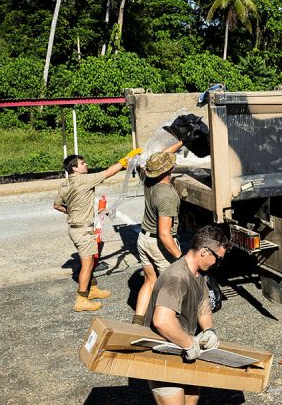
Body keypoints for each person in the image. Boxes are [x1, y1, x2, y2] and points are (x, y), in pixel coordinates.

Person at [144, 225, 229, 405]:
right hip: (164, 353)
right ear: (205, 251)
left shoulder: (198, 274)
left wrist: (209, 330)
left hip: (182, 348)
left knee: (192, 399)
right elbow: (161, 321)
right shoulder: (177, 277)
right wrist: (189, 344)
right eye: (218, 259)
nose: (217, 264)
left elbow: (203, 304)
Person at [53, 147, 142, 312]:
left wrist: (70, 211)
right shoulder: (85, 180)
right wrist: (127, 159)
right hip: (83, 231)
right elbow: (109, 172)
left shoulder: (64, 184)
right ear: (74, 168)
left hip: (75, 229)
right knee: (87, 265)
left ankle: (92, 289)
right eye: (82, 163)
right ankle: (81, 300)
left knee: (92, 260)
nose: (86, 164)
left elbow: (57, 205)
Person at [132, 142, 185, 325]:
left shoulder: (148, 179)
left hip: (143, 239)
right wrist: (180, 258)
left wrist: (181, 142)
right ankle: (166, 325)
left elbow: (155, 159)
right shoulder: (167, 196)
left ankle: (138, 321)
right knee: (170, 287)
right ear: (169, 170)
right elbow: (164, 234)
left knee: (150, 280)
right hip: (157, 244)